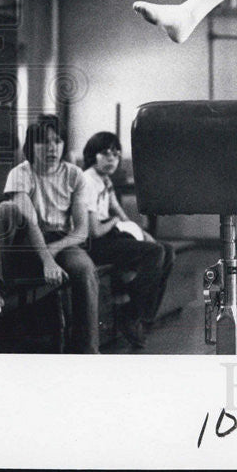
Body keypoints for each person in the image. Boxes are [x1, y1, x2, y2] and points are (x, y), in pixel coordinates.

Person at [0, 115, 100, 354]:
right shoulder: (20, 173)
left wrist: (55, 250)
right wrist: (47, 260)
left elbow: (81, 231)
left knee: (85, 270)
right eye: (43, 142)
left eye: (57, 141)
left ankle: (88, 352)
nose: (52, 147)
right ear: (31, 146)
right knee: (6, 208)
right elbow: (30, 220)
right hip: (26, 238)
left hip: (62, 239)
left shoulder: (75, 175)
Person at [81, 131, 173, 349]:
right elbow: (93, 230)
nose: (113, 158)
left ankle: (140, 315)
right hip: (94, 244)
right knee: (155, 253)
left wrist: (143, 235)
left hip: (111, 236)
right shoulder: (88, 181)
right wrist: (115, 223)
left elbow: (120, 213)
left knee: (165, 249)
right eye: (105, 153)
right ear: (93, 155)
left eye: (116, 153)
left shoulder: (105, 180)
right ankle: (131, 314)